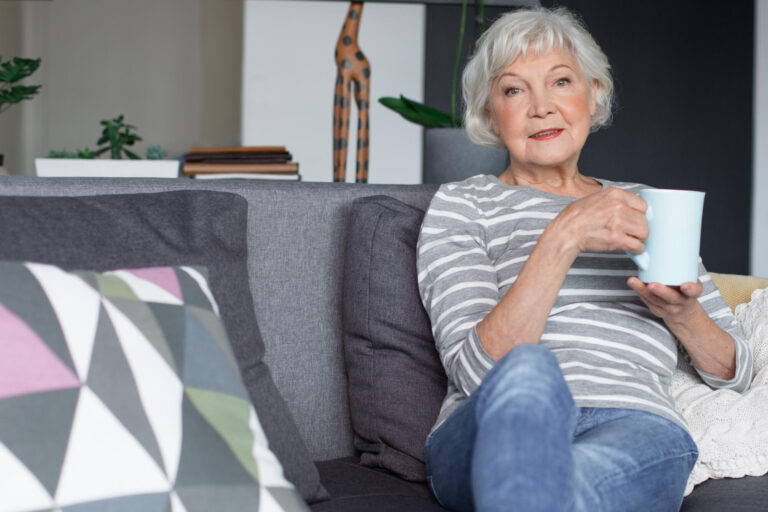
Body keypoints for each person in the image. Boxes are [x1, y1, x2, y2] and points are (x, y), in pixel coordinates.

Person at [416, 7, 753, 512]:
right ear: (490, 113)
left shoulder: (644, 206)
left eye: (560, 82)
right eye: (514, 90)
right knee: (530, 370)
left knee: (571, 485)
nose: (540, 107)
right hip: (502, 415)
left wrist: (683, 314)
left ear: (593, 95)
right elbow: (479, 371)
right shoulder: (464, 204)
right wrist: (563, 235)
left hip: (634, 421)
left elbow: (736, 370)